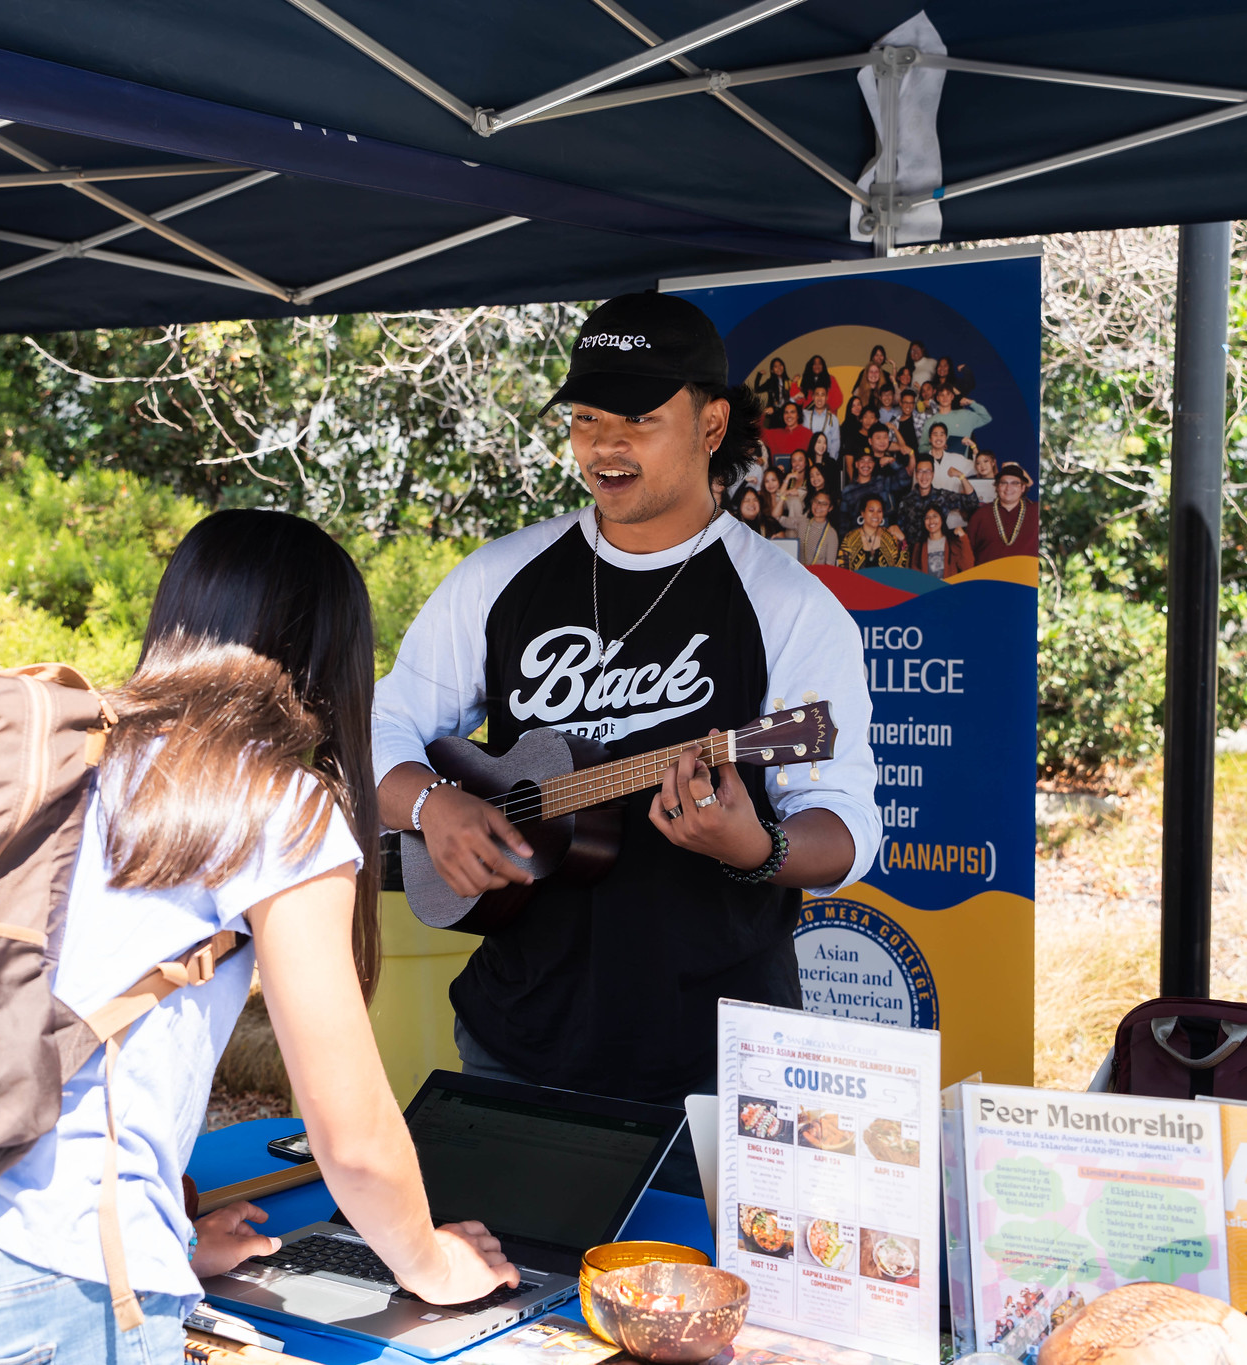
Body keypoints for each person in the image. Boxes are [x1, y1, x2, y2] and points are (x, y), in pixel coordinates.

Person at [0, 512, 519, 1363]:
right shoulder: (274, 799)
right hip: (39, 1277)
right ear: (331, 658)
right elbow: (349, 1133)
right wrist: (431, 1260)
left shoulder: (57, 755)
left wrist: (163, 1230)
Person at [374, 292, 878, 1106]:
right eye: (584, 417)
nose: (604, 444)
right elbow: (380, 723)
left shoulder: (787, 604)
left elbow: (847, 824)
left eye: (637, 418)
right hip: (518, 1035)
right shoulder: (499, 577)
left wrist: (759, 848)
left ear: (712, 426)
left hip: (718, 1062)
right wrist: (432, 804)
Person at [964, 462, 1036, 566]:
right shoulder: (980, 514)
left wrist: (1016, 466)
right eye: (1003, 483)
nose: (1008, 488)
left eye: (1014, 483)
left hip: (1023, 579)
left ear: (1023, 488)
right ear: (997, 486)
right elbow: (967, 551)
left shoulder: (1034, 511)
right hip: (988, 578)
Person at [838, 495, 907, 570]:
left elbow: (901, 567)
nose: (875, 515)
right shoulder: (850, 539)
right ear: (862, 513)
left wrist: (903, 540)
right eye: (871, 510)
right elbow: (842, 570)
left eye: (879, 511)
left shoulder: (890, 537)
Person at [837, 450, 889, 534]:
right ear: (856, 464)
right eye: (862, 461)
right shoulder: (848, 491)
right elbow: (843, 522)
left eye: (870, 461)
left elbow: (904, 479)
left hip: (881, 536)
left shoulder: (881, 482)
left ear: (874, 464)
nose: (866, 465)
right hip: (857, 538)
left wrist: (892, 461)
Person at [798, 489, 840, 567]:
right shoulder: (802, 523)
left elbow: (830, 567)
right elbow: (778, 518)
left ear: (830, 508)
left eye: (824, 504)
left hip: (819, 576)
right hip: (800, 574)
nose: (818, 506)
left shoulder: (831, 534)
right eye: (816, 501)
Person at [796, 354, 842, 418]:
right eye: (814, 364)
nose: (817, 366)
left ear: (823, 366)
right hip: (808, 418)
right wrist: (794, 384)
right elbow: (799, 401)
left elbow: (838, 399)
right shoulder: (806, 381)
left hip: (826, 416)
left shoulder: (830, 379)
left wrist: (825, 407)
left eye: (819, 363)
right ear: (810, 366)